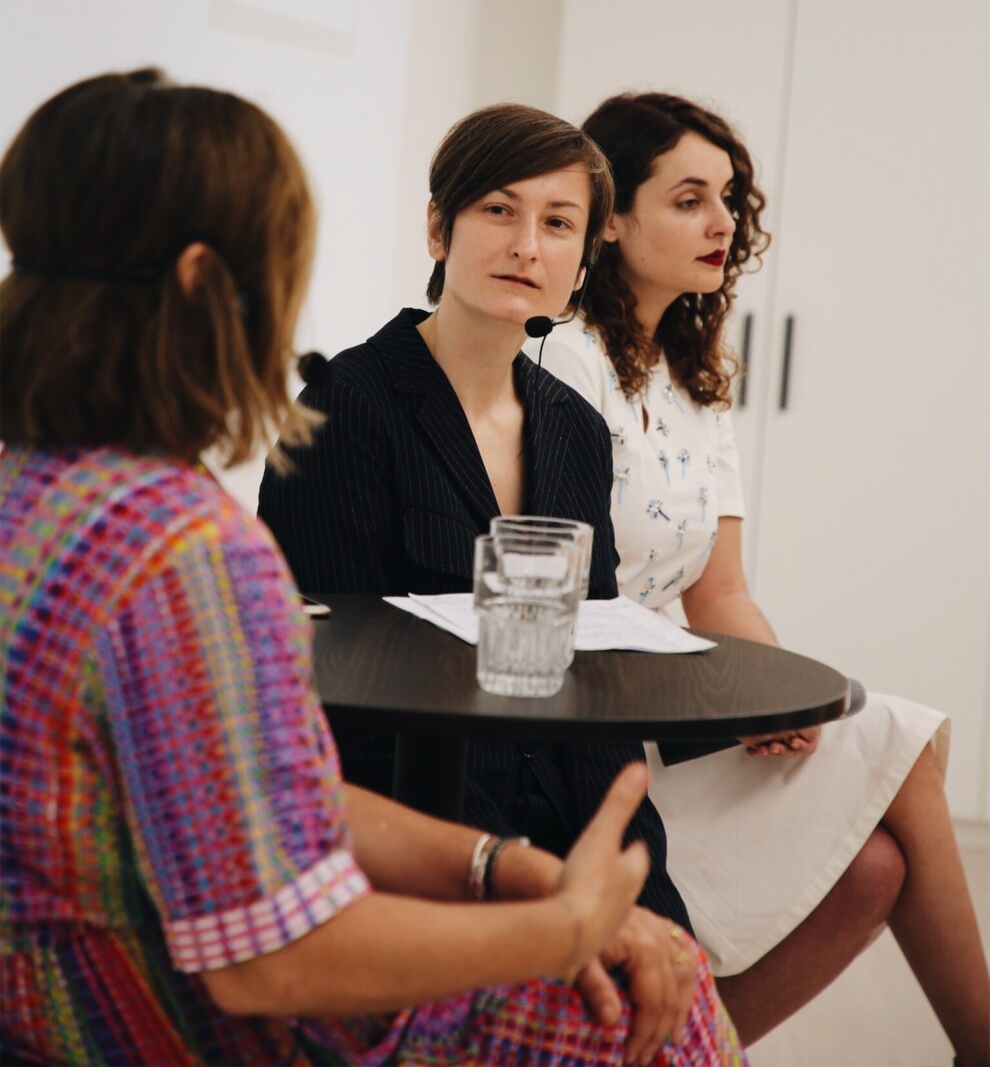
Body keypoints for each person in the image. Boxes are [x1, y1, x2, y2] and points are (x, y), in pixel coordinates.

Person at [0, 72, 751, 1067]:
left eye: (559, 223)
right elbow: (267, 957)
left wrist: (499, 866)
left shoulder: (36, 493)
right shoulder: (188, 552)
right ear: (201, 283)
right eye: (281, 264)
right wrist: (561, 928)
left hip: (60, 995)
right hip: (173, 1020)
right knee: (671, 1012)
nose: (528, 245)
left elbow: (254, 784)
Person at [259, 103, 745, 1054]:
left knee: (688, 996)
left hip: (568, 838)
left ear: (583, 259)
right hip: (426, 865)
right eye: (498, 210)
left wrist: (638, 889)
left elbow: (593, 679)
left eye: (558, 223)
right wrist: (526, 891)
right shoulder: (346, 409)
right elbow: (329, 704)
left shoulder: (572, 427)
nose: (527, 245)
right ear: (438, 229)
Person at [527, 90, 990, 1065]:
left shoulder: (694, 378)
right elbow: (573, 609)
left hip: (677, 705)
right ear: (611, 220)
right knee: (900, 740)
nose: (724, 223)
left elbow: (722, 595)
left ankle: (683, 1051)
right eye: (690, 198)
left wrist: (773, 696)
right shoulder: (564, 364)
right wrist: (726, 698)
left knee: (874, 869)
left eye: (730, 199)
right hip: (596, 726)